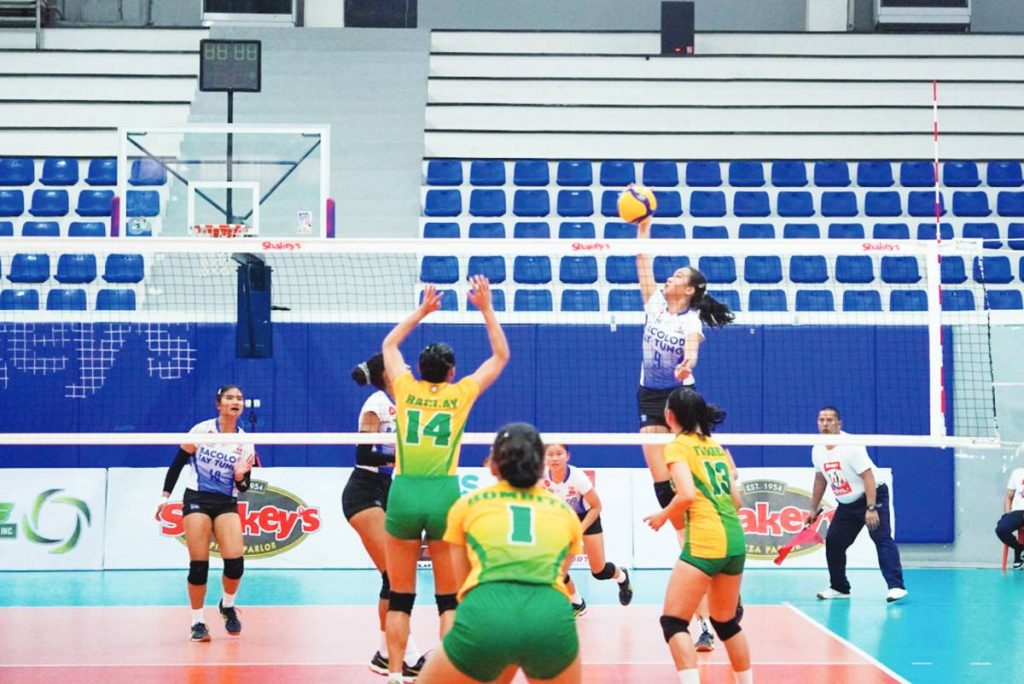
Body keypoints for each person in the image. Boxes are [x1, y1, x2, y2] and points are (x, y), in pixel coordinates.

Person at [381, 276, 510, 684]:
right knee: (447, 599)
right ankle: (451, 677)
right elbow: (501, 356)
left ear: (418, 370)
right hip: (444, 495)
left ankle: (397, 676)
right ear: (452, 372)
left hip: (403, 491)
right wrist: (486, 307)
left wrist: (423, 310)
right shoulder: (460, 394)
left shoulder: (402, 387)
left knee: (400, 597)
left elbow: (389, 346)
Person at [417, 423, 583, 684]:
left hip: (487, 612)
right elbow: (559, 573)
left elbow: (462, 582)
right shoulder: (564, 512)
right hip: (549, 616)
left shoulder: (467, 506)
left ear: (493, 466)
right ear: (541, 466)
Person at [643, 387, 751, 684]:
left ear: (669, 416)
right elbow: (738, 502)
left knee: (673, 622)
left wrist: (662, 516)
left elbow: (687, 494)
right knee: (726, 623)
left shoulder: (677, 446)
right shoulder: (716, 447)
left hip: (706, 540)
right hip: (734, 539)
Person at [154, 384, 257, 642]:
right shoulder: (201, 430)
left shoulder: (245, 441)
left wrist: (241, 476)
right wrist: (165, 497)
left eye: (239, 398)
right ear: (219, 403)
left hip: (226, 502)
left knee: (235, 563)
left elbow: (243, 487)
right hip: (197, 498)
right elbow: (177, 464)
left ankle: (228, 605)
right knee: (199, 565)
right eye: (230, 397)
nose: (236, 401)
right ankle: (197, 622)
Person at [343, 353, 425, 678]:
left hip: (385, 489)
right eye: (401, 365)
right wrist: (401, 455)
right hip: (363, 492)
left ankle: (383, 652)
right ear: (387, 373)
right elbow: (364, 452)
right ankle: (410, 656)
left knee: (390, 580)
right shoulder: (376, 403)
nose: (406, 368)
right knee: (396, 577)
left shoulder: (402, 403)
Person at [806, 406, 907, 603]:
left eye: (829, 420)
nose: (825, 424)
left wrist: (871, 508)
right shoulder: (817, 449)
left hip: (872, 496)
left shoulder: (850, 446)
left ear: (839, 423)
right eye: (821, 420)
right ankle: (839, 588)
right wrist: (812, 508)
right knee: (834, 542)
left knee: (881, 538)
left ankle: (896, 587)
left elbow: (868, 476)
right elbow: (820, 479)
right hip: (847, 504)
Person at [541, 442, 633, 617]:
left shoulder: (578, 478)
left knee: (599, 571)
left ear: (567, 456)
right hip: (563, 520)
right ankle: (577, 603)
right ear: (544, 457)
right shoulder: (542, 478)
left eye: (559, 453)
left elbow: (597, 506)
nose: (554, 458)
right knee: (557, 570)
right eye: (550, 454)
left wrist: (578, 530)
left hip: (587, 518)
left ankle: (622, 577)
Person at [995, 459, 1024, 570]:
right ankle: (1019, 548)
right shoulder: (1018, 473)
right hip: (1018, 512)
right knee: (1002, 529)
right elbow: (1008, 497)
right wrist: (1008, 514)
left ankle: (1018, 558)